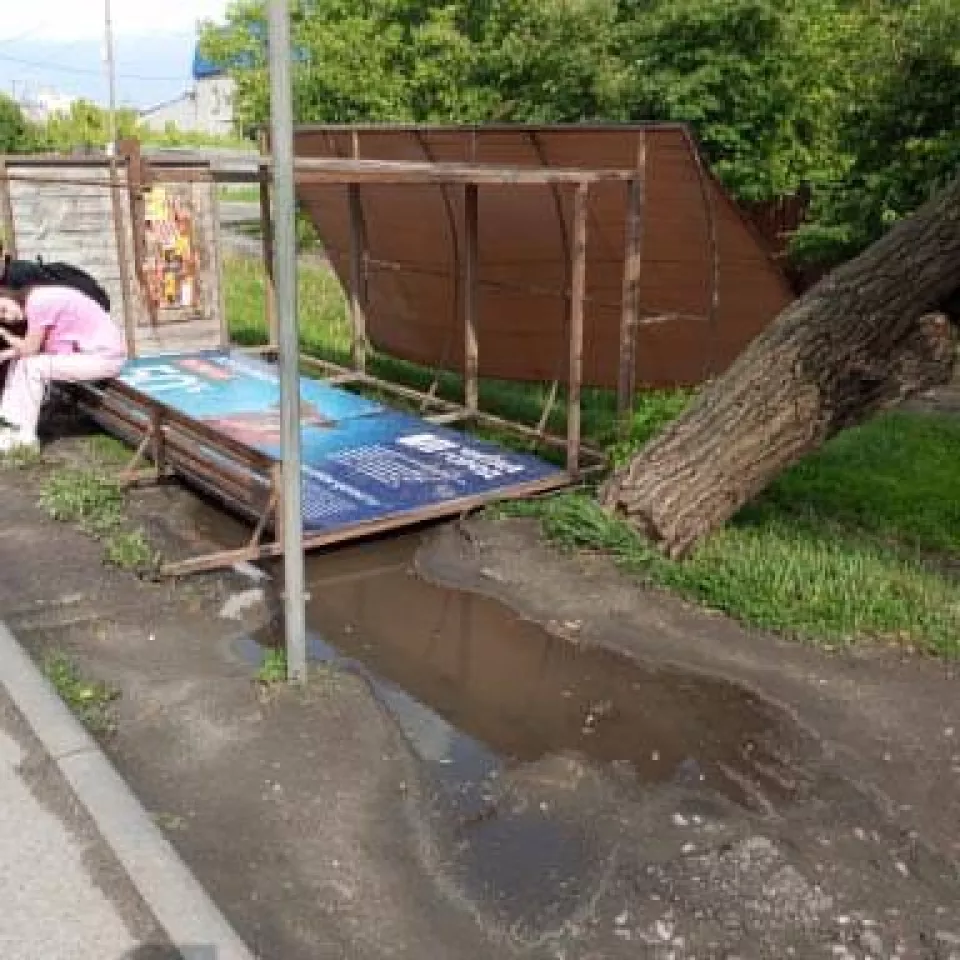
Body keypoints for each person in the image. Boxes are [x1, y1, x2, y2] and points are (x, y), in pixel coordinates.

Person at [0, 284, 127, 452]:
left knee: (33, 366)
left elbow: (31, 349)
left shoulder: (38, 302)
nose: (7, 317)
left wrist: (5, 335)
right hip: (90, 355)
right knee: (23, 361)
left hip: (105, 357)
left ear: (9, 295)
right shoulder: (38, 299)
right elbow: (36, 348)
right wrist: (6, 354)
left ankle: (25, 438)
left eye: (3, 309)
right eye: (1, 317)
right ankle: (11, 425)